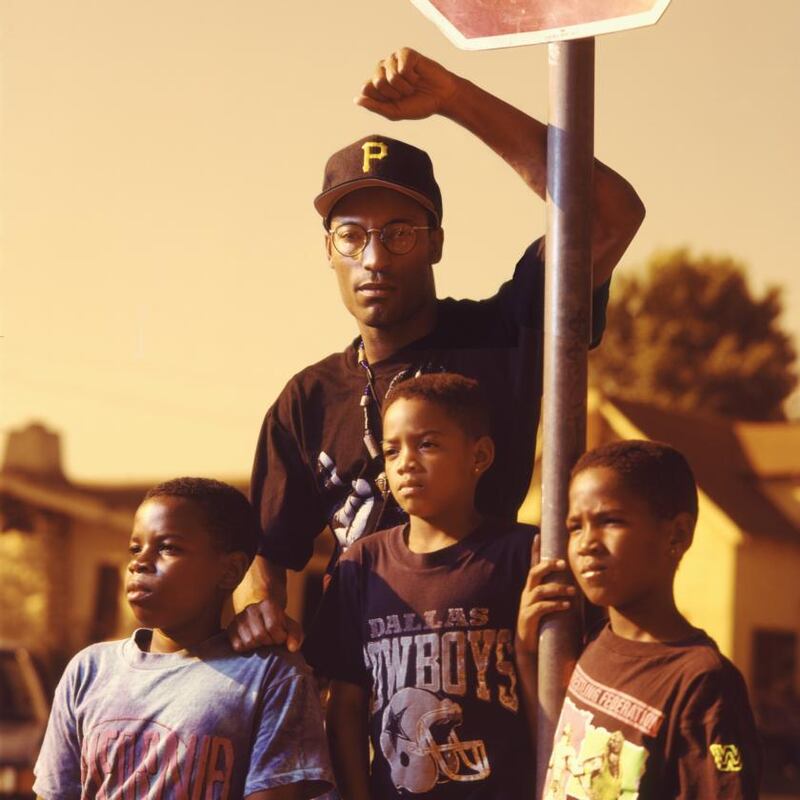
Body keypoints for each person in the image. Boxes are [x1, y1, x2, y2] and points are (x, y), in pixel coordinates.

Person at [230, 47, 645, 654]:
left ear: (436, 243)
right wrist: (258, 618)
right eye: (352, 237)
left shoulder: (506, 333)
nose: (373, 258)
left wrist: (455, 99)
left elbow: (610, 213)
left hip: (492, 674)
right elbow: (264, 555)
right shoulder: (308, 400)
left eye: (398, 234)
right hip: (353, 693)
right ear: (328, 251)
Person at [302, 373, 575, 799]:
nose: (406, 462)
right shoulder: (362, 564)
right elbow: (346, 706)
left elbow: (563, 694)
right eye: (392, 451)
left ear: (479, 455)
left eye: (427, 444)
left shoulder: (524, 554)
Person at [33, 478, 334, 800]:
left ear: (231, 571)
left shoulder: (270, 675)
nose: (140, 562)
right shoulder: (89, 670)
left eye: (168, 548)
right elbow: (55, 794)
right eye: (135, 548)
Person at [518, 440, 761, 799]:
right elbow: (555, 752)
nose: (586, 544)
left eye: (610, 521)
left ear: (677, 534)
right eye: (575, 527)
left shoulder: (701, 682)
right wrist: (525, 651)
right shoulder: (595, 642)